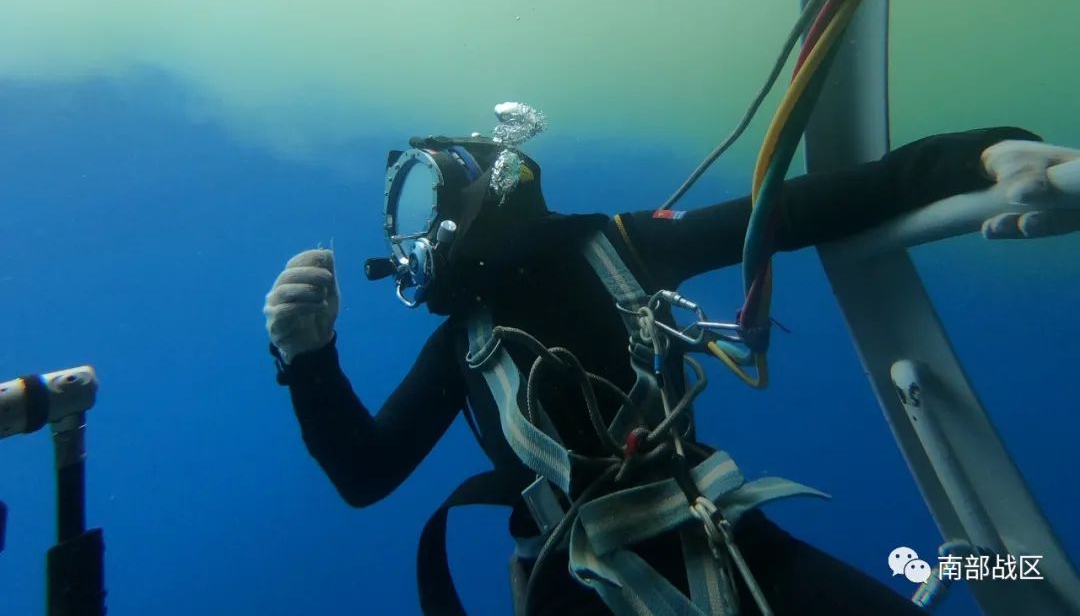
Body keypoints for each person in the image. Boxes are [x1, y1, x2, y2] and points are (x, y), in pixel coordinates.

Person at [263, 107, 1080, 616]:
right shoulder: (461, 341)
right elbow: (365, 473)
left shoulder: (618, 246)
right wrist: (308, 359)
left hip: (723, 537)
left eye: (424, 205)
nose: (412, 241)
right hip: (573, 586)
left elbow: (794, 208)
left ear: (480, 195)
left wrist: (983, 153)